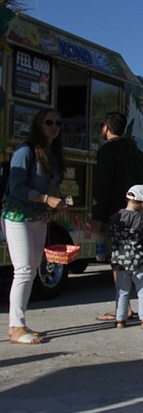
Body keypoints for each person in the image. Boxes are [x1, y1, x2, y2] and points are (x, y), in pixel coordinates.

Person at [3, 109, 68, 344]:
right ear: (38, 125)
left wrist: (58, 201)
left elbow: (53, 187)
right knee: (23, 270)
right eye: (48, 122)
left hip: (39, 218)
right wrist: (45, 199)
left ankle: (19, 323)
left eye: (58, 123)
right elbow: (16, 187)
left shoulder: (53, 154)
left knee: (31, 270)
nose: (54, 126)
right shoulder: (25, 150)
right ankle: (16, 327)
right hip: (17, 215)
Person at [93, 111, 143, 321]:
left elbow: (103, 186)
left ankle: (123, 308)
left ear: (106, 127)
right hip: (133, 212)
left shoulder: (108, 151)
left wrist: (97, 216)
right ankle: (133, 307)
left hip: (114, 213)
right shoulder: (136, 152)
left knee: (117, 262)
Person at [109, 184, 143, 328]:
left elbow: (110, 237)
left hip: (120, 261)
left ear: (127, 198)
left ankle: (120, 320)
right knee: (142, 289)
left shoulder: (115, 217)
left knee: (122, 290)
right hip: (138, 260)